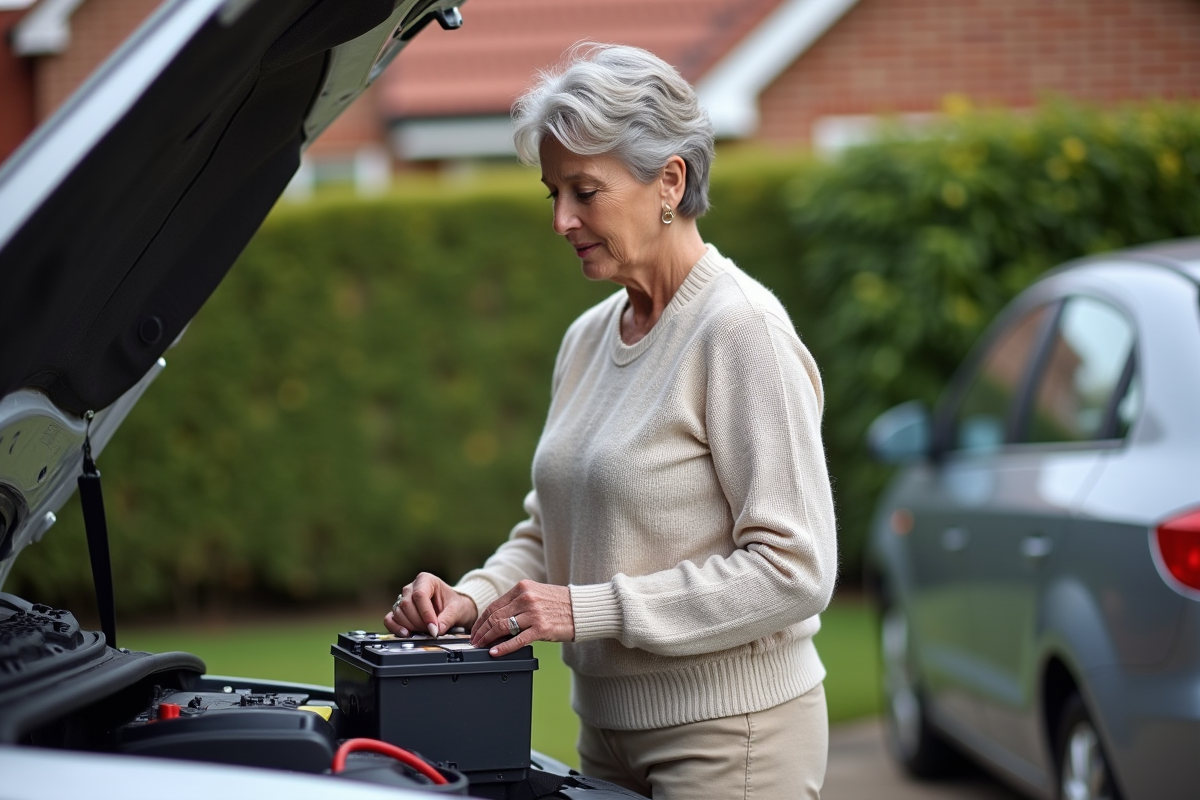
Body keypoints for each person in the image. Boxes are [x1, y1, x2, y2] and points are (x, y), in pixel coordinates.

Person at [385, 43, 837, 799]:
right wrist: (472, 598)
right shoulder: (588, 338)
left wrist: (586, 608)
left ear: (670, 180)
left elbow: (795, 570)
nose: (562, 220)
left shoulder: (740, 330)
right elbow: (553, 530)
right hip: (605, 735)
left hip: (734, 738)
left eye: (585, 191)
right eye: (552, 193)